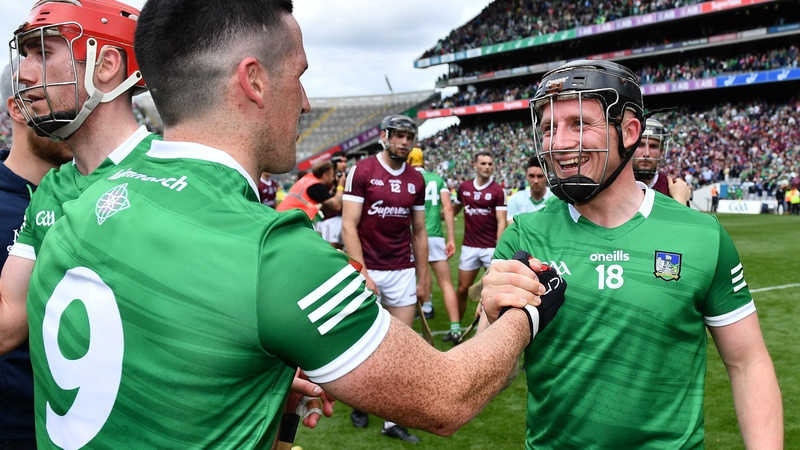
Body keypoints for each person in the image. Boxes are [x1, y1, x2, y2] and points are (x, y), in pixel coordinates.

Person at [24, 1, 559, 448]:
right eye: (299, 76)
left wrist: (260, 388)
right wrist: (523, 312)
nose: (304, 101)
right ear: (254, 80)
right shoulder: (273, 253)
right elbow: (447, 398)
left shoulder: (76, 199)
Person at [485, 59, 782, 448]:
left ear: (629, 131)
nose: (558, 144)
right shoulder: (524, 237)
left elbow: (748, 364)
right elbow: (496, 378)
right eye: (548, 128)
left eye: (579, 124)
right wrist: (491, 322)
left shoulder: (702, 235)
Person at [0, 0, 159, 358]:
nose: (24, 73)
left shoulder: (178, 175)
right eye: (26, 55)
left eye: (42, 52)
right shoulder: (51, 190)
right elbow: (8, 322)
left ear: (106, 66)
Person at [341, 115, 429, 442]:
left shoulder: (415, 180)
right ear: (384, 136)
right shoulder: (362, 171)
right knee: (362, 343)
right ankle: (359, 400)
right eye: (399, 136)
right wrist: (361, 271)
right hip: (369, 267)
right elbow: (349, 226)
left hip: (402, 269)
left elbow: (419, 232)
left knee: (402, 348)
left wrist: (423, 279)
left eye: (410, 137)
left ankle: (392, 422)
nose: (404, 142)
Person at [0, 60, 72, 449]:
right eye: (53, 100)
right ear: (17, 108)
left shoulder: (93, 201)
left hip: (84, 424)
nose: (72, 116)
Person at [407, 147, 461, 341]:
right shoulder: (437, 179)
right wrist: (452, 239)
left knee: (416, 278)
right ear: (424, 161)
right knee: (446, 283)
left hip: (413, 236)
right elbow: (448, 208)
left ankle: (421, 311)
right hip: (436, 236)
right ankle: (455, 327)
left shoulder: (406, 178)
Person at [452, 151, 507, 321]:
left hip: (490, 248)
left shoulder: (498, 190)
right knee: (462, 289)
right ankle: (456, 326)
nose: (487, 167)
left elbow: (501, 222)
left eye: (490, 164)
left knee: (495, 291)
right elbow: (454, 209)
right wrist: (436, 215)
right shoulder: (464, 187)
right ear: (474, 165)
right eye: (483, 164)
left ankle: (491, 327)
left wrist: (498, 250)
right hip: (469, 247)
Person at [631, 118, 692, 205]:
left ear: (661, 153)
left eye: (653, 146)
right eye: (640, 145)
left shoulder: (673, 189)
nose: (646, 153)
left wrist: (680, 200)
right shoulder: (613, 187)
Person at [276, 159, 344, 221]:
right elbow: (337, 206)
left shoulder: (309, 179)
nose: (333, 179)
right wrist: (341, 185)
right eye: (332, 175)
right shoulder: (316, 186)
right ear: (325, 175)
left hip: (283, 217)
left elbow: (325, 197)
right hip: (288, 221)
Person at [315, 151, 348, 249]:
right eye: (340, 161)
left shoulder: (346, 176)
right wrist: (340, 185)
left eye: (345, 161)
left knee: (341, 252)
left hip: (344, 218)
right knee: (330, 250)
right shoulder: (326, 179)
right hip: (330, 219)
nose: (344, 164)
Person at [506, 155, 553, 223]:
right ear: (526, 176)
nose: (536, 181)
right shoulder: (515, 199)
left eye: (540, 176)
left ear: (547, 176)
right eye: (532, 176)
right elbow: (513, 228)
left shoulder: (556, 199)